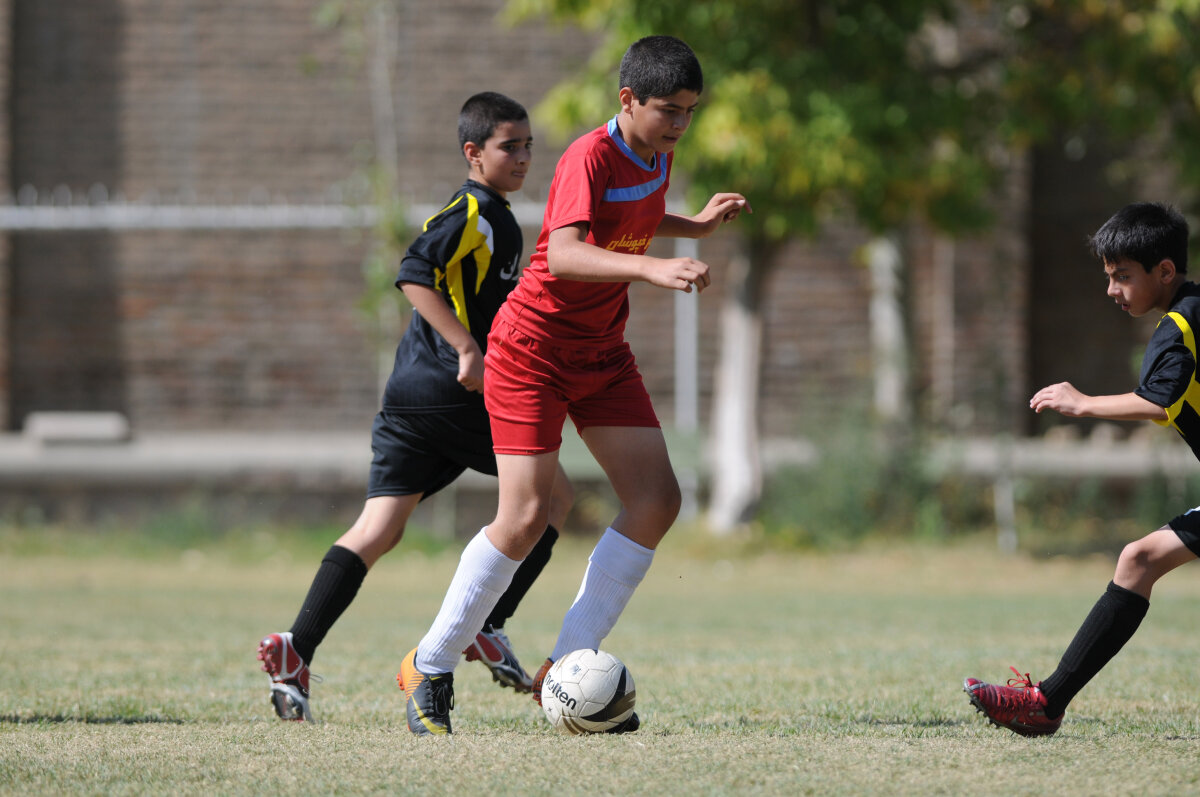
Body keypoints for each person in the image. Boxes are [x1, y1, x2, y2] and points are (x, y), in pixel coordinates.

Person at [397, 35, 750, 736]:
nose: (680, 124)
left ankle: (564, 667)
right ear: (628, 100)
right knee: (525, 517)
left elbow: (632, 220)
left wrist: (695, 228)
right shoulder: (588, 155)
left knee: (657, 500)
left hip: (601, 352)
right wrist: (653, 268)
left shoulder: (656, 152)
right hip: (530, 350)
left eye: (690, 111)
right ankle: (429, 667)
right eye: (669, 110)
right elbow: (563, 251)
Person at [256, 91, 573, 722]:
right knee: (552, 499)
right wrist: (467, 348)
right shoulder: (475, 212)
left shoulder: (497, 216)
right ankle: (489, 624)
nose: (522, 157)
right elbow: (412, 272)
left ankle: (297, 647)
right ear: (473, 152)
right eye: (509, 146)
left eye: (528, 145)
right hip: (455, 394)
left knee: (379, 528)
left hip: (409, 397)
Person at [965, 201, 1200, 737]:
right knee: (1139, 559)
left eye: (1124, 276)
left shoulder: (1179, 327)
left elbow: (1159, 402)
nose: (1112, 290)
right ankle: (1046, 703)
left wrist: (1083, 402)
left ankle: (1045, 703)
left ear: (1165, 270)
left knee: (1138, 558)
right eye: (1109, 276)